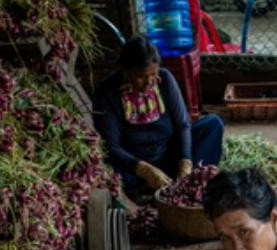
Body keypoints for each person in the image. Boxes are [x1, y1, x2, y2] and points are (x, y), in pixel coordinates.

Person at [94, 36, 224, 195]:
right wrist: (145, 170)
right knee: (108, 176)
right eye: (141, 76)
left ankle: (187, 181)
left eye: (153, 73)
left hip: (169, 156)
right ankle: (147, 187)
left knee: (212, 125)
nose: (149, 81)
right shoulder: (107, 93)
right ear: (126, 71)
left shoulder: (165, 80)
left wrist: (185, 161)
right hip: (133, 167)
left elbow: (183, 125)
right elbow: (111, 147)